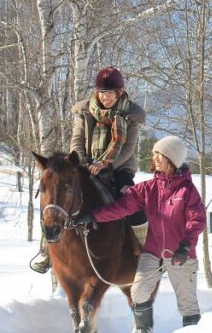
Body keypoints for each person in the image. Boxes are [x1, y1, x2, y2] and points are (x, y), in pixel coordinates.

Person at [73, 135, 205, 333]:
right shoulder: (149, 188)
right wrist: (94, 216)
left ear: (171, 158)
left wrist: (186, 244)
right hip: (153, 251)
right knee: (139, 291)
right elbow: (121, 207)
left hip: (181, 253)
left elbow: (197, 219)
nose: (154, 158)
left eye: (159, 154)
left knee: (187, 304)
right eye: (154, 154)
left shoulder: (187, 190)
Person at [30, 66, 147, 274]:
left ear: (119, 93)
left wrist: (106, 165)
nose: (106, 98)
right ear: (96, 92)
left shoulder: (130, 115)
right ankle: (46, 250)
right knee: (55, 199)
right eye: (102, 93)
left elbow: (128, 148)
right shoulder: (84, 111)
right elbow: (77, 140)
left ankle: (143, 250)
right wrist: (82, 163)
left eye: (110, 94)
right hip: (83, 165)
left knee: (134, 203)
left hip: (119, 167)